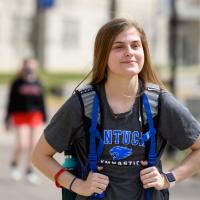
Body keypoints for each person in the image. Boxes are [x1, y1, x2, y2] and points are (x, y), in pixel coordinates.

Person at [32, 18, 200, 200]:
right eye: (119, 47)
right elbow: (40, 156)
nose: (129, 52)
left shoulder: (159, 102)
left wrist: (168, 179)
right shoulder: (82, 104)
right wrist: (78, 185)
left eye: (135, 46)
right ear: (103, 55)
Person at [5, 57, 47, 184]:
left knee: (33, 145)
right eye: (27, 66)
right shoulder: (17, 83)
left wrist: (45, 118)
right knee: (23, 144)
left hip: (35, 116)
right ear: (23, 67)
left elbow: (42, 102)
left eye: (32, 66)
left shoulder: (38, 82)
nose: (30, 68)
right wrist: (7, 119)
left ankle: (29, 171)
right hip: (20, 116)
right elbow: (10, 102)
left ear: (36, 67)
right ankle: (14, 163)